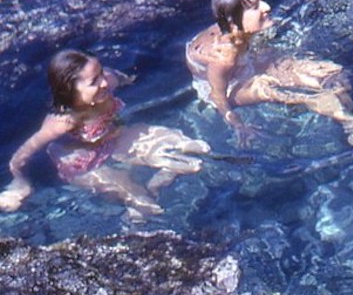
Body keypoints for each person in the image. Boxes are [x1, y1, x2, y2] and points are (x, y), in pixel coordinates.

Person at [186, 0, 353, 146]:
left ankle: (347, 116)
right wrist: (237, 125)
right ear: (234, 21)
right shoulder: (224, 56)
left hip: (245, 62)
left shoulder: (237, 31)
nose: (266, 6)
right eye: (254, 7)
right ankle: (352, 124)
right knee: (270, 86)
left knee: (332, 72)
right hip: (222, 87)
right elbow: (217, 95)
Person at [0, 50, 210, 219]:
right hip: (83, 160)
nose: (103, 82)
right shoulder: (63, 121)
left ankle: (156, 180)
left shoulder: (107, 81)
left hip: (112, 137)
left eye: (101, 72)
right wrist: (19, 183)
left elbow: (121, 78)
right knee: (141, 200)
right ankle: (138, 209)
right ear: (70, 91)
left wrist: (129, 79)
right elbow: (22, 154)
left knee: (182, 145)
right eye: (94, 81)